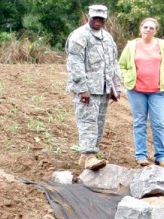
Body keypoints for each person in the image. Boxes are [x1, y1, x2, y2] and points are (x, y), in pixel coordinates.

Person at [66, 4, 122, 170]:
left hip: (103, 89)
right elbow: (75, 64)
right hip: (88, 90)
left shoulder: (107, 38)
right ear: (88, 17)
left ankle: (86, 158)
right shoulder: (79, 36)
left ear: (105, 19)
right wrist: (82, 88)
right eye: (95, 17)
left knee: (99, 123)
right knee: (88, 122)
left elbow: (113, 63)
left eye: (101, 18)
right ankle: (90, 154)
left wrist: (115, 87)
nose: (98, 21)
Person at [119, 17, 164, 169]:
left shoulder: (162, 45)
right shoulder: (132, 45)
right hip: (136, 91)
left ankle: (161, 156)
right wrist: (126, 79)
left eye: (151, 28)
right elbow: (122, 65)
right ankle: (141, 156)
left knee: (158, 123)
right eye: (145, 27)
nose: (148, 30)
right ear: (140, 29)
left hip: (157, 91)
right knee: (139, 123)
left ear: (156, 31)